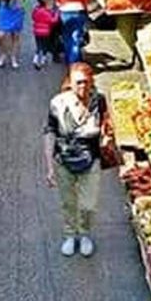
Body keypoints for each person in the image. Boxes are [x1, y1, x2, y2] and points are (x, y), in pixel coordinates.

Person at [43, 63, 110, 258]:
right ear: (70, 83)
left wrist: (107, 138)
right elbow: (49, 132)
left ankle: (85, 233)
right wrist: (49, 166)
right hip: (63, 160)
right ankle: (70, 235)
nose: (82, 86)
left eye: (86, 82)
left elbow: (106, 124)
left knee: (88, 204)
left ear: (92, 82)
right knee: (68, 202)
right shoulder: (58, 103)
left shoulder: (99, 100)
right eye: (78, 82)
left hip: (91, 159)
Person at [32, 0, 59, 70]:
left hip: (36, 32)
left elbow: (33, 17)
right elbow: (53, 21)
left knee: (38, 45)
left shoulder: (36, 9)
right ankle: (43, 59)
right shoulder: (47, 12)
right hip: (46, 32)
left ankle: (36, 58)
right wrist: (57, 13)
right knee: (45, 46)